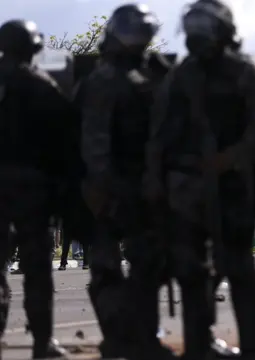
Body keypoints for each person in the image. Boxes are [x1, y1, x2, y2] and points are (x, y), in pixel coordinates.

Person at [146, 0, 255, 357]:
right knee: (191, 273)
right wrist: (157, 179)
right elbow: (159, 133)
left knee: (239, 268)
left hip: (231, 185)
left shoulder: (244, 72)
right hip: (186, 187)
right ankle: (198, 346)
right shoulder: (181, 75)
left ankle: (253, 345)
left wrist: (231, 158)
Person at [79, 5, 175, 359]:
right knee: (109, 267)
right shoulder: (106, 79)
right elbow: (96, 141)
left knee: (149, 264)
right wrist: (103, 187)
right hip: (112, 186)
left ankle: (139, 338)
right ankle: (122, 338)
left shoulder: (144, 75)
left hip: (140, 183)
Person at [0, 19, 75, 358]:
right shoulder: (41, 85)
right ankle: (41, 342)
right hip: (31, 191)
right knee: (36, 270)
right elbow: (64, 141)